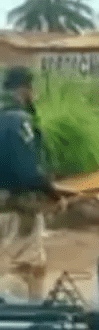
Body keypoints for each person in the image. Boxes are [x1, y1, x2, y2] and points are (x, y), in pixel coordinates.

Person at [0, 66, 62, 302]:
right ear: (24, 89)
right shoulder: (20, 121)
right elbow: (29, 172)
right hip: (19, 208)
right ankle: (25, 318)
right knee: (26, 270)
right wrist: (53, 194)